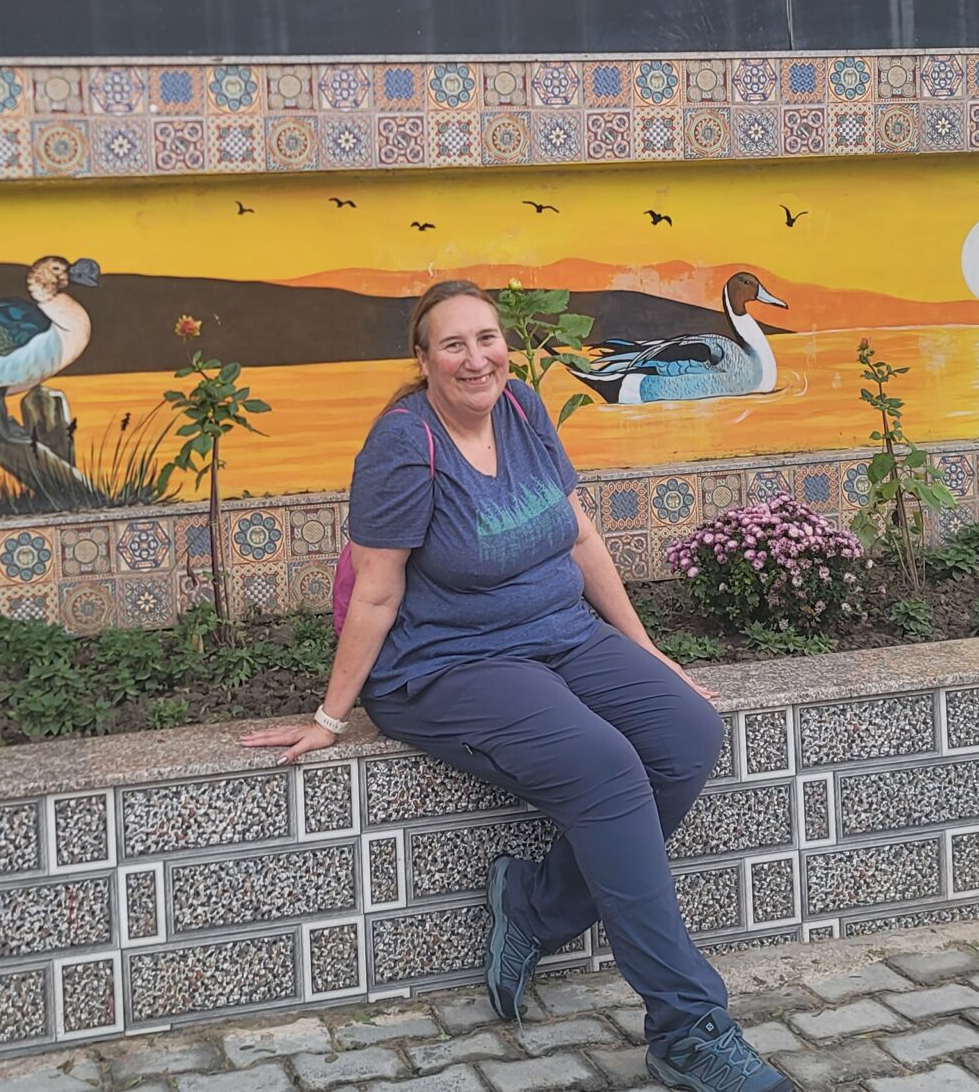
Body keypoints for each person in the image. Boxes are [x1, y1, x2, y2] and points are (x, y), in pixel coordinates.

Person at [241, 280, 794, 1092]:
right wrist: (331, 714)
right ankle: (686, 1024)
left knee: (686, 734)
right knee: (605, 765)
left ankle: (534, 903)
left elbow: (579, 534)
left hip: (558, 634)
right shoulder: (402, 445)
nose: (478, 357)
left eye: (488, 337)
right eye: (454, 344)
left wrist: (647, 652)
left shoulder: (525, 407)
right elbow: (377, 589)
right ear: (423, 360)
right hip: (446, 664)